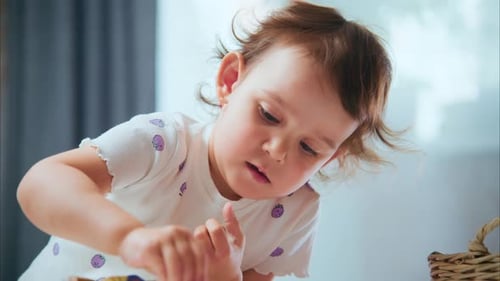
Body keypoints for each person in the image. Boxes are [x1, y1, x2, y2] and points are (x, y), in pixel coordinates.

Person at [17, 1, 403, 281]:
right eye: (268, 115)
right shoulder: (163, 143)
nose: (278, 151)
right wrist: (129, 238)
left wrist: (226, 278)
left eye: (309, 148)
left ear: (331, 157)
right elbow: (40, 185)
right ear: (231, 82)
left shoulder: (293, 213)